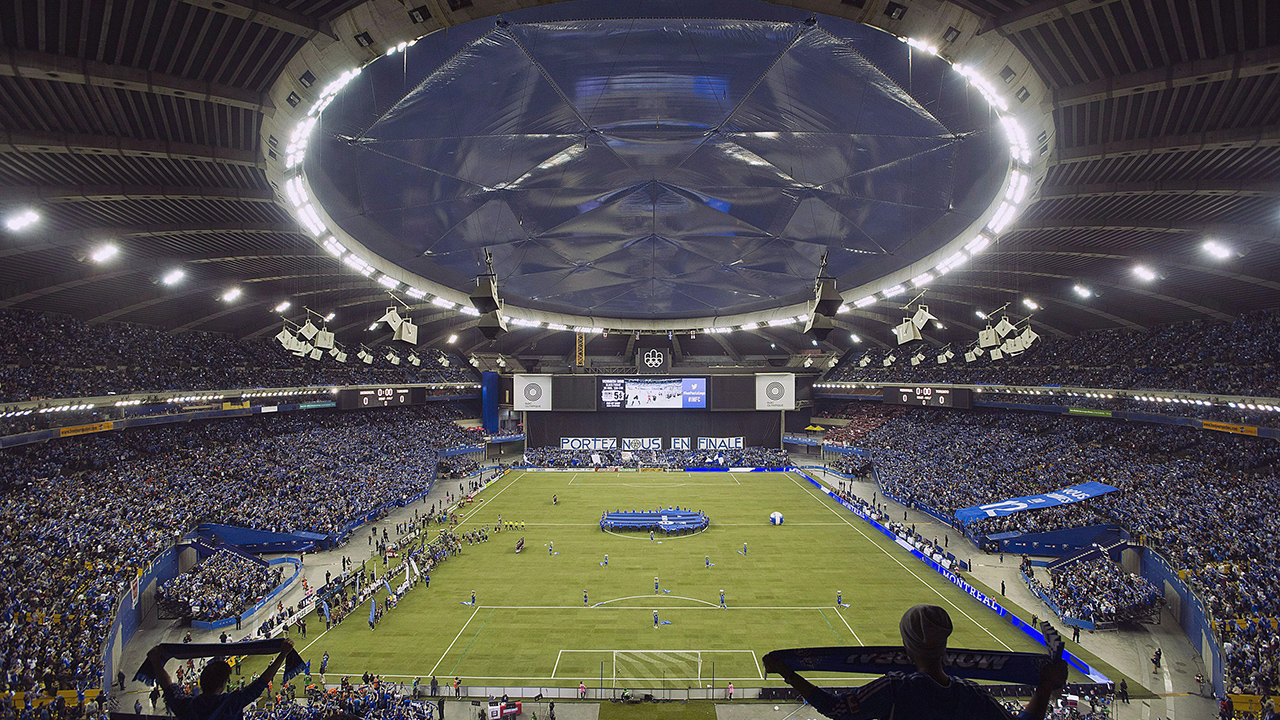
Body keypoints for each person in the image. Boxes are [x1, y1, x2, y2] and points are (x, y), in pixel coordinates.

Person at [768, 605, 1067, 720]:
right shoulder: (971, 695)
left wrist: (787, 672)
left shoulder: (896, 688)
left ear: (907, 648)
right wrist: (1043, 688)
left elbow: (835, 708)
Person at [148, 638, 295, 720]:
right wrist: (283, 654)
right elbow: (260, 683)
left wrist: (155, 662)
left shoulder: (187, 705)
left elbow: (168, 687)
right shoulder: (230, 703)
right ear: (223, 684)